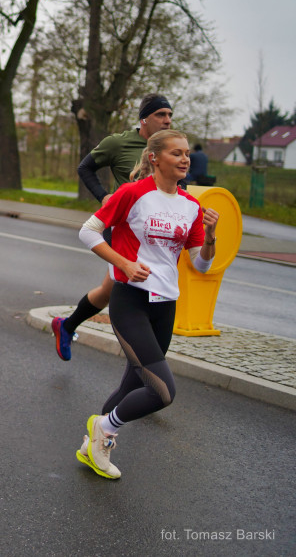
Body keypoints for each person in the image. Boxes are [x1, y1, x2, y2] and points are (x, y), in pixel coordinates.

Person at [74, 129, 217, 479]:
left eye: (186, 153)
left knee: (133, 384)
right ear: (154, 157)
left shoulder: (191, 206)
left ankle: (92, 446)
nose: (185, 159)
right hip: (130, 301)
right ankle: (104, 428)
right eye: (176, 153)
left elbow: (201, 264)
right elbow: (88, 231)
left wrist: (211, 237)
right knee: (162, 391)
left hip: (165, 303)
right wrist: (122, 263)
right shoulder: (133, 193)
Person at [52, 94, 174, 361]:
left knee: (109, 291)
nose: (167, 121)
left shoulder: (170, 148)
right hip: (124, 230)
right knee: (131, 287)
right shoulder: (119, 143)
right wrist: (103, 196)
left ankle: (67, 325)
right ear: (144, 118)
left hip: (155, 233)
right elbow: (85, 167)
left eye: (170, 115)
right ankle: (144, 359)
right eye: (161, 115)